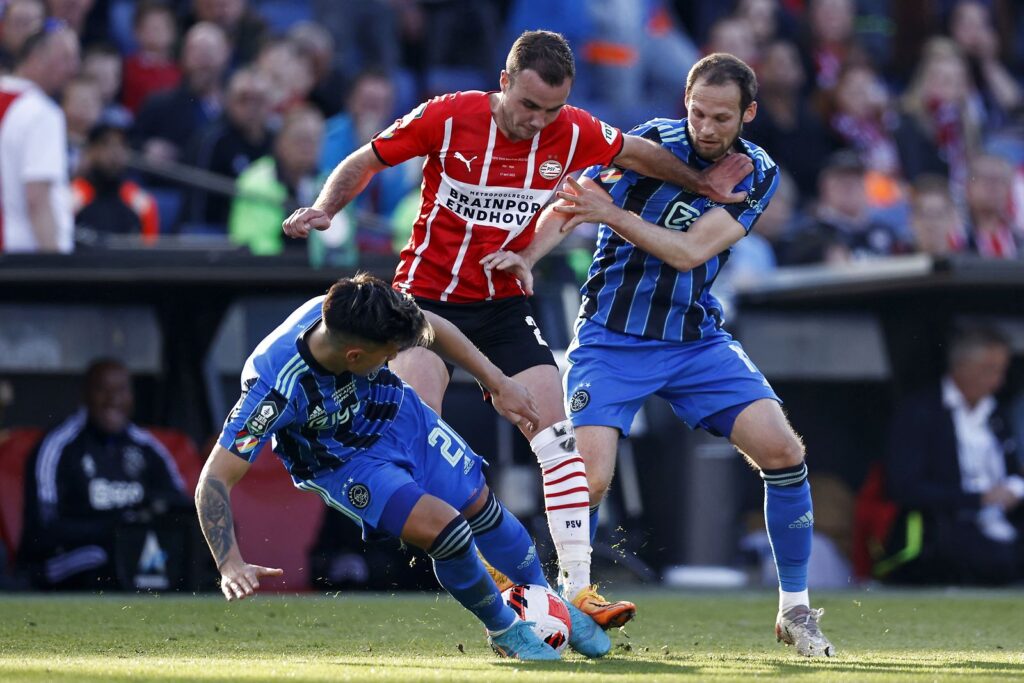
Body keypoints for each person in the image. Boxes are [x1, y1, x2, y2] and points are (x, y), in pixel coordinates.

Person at [282, 30, 751, 630]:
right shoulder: (449, 116)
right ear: (505, 83)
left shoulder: (572, 130)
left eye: (551, 110)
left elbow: (637, 153)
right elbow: (368, 158)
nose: (539, 121)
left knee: (557, 436)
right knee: (420, 433)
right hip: (425, 302)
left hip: (502, 301)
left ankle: (578, 589)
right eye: (529, 106)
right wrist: (328, 206)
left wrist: (704, 185)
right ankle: (491, 572)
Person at [498, 53, 836, 657]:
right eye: (698, 112)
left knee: (784, 451)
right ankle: (566, 601)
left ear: (748, 114)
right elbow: (575, 200)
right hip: (611, 337)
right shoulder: (649, 143)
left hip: (694, 340)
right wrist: (527, 255)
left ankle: (795, 610)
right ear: (685, 102)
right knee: (589, 479)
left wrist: (613, 214)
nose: (706, 128)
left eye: (721, 117)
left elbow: (688, 253)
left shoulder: (755, 170)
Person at [194, 274, 610, 661]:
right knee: (447, 531)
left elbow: (433, 326)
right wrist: (230, 562)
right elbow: (214, 478)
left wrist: (497, 383)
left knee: (481, 507)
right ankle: (506, 630)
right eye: (387, 354)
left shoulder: (357, 310)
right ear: (354, 355)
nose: (395, 357)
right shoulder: (272, 391)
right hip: (344, 463)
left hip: (400, 416)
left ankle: (557, 610)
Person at [20, 359, 192, 589]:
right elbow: (41, 529)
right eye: (102, 389)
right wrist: (114, 528)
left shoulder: (147, 448)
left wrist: (148, 510)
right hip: (66, 558)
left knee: (177, 560)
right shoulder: (60, 446)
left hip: (133, 551)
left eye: (121, 390)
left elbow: (182, 510)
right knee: (107, 556)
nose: (113, 400)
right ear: (86, 395)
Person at [883, 325, 1023, 585]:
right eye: (989, 370)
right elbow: (904, 487)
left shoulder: (997, 414)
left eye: (1001, 371)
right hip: (944, 533)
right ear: (962, 366)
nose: (997, 381)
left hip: (1004, 525)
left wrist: (1014, 489)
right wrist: (977, 499)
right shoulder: (921, 412)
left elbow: (1013, 470)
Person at [0, 22, 79, 253]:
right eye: (65, 58)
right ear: (37, 57)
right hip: (24, 261)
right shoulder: (41, 112)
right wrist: (54, 272)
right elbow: (37, 198)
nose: (73, 68)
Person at [229, 105, 324, 256]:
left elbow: (338, 244)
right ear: (281, 142)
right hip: (270, 271)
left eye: (314, 140)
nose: (307, 147)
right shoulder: (256, 181)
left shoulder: (325, 183)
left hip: (318, 273)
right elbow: (253, 243)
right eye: (300, 140)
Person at [72, 123, 159, 243]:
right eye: (106, 145)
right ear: (90, 151)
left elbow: (149, 251)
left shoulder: (141, 202)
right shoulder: (71, 197)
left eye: (122, 145)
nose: (115, 152)